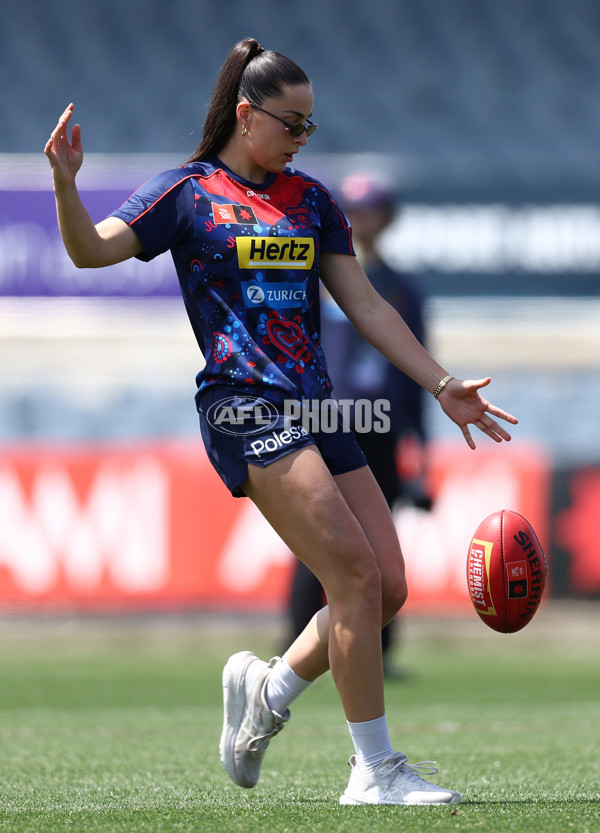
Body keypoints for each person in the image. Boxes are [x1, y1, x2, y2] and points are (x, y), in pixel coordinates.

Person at [45, 38, 517, 806]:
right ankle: (374, 769)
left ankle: (268, 689)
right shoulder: (186, 194)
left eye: (309, 127)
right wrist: (67, 187)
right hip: (244, 403)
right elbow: (90, 251)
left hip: (316, 403)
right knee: (354, 576)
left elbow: (363, 303)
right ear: (245, 114)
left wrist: (440, 383)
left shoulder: (311, 199)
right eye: (291, 124)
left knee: (387, 585)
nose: (301, 139)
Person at [285, 171, 431, 676]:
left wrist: (422, 453)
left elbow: (416, 371)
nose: (361, 219)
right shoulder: (317, 279)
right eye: (353, 208)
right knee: (317, 538)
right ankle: (294, 644)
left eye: (371, 209)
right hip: (325, 418)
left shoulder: (403, 290)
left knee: (380, 538)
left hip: (381, 427)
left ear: (388, 218)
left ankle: (378, 652)